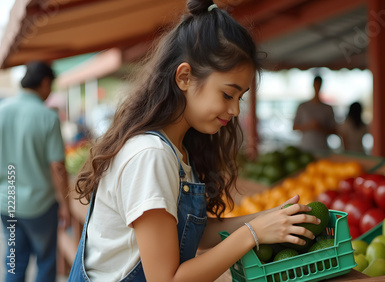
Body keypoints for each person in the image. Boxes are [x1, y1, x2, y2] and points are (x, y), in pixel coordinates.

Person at [68, 1, 320, 281]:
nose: (236, 110)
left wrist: (266, 219)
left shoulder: (177, 151)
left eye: (240, 97)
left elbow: (196, 234)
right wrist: (253, 234)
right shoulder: (150, 156)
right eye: (227, 94)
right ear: (185, 77)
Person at [0, 61, 71, 281]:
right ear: (45, 82)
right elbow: (58, 167)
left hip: (7, 201)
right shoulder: (47, 116)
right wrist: (66, 205)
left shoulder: (1, 111)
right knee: (46, 262)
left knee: (15, 262)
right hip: (40, 205)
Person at [293, 76, 336, 153]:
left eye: (319, 85)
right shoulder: (303, 106)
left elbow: (334, 130)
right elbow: (294, 127)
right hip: (305, 148)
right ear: (313, 85)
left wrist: (321, 128)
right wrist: (309, 126)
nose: (317, 87)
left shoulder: (327, 108)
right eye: (316, 85)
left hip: (322, 148)